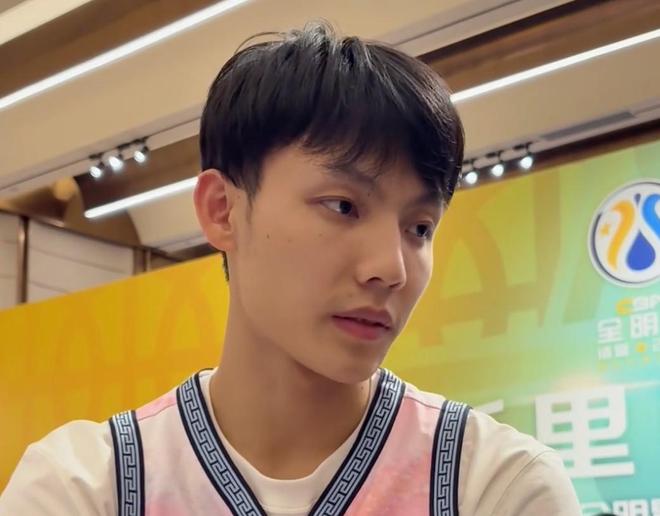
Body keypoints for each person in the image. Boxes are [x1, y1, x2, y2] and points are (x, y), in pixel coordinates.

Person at [0, 22, 581, 515]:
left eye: (420, 228)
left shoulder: (492, 485)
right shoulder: (88, 487)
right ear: (222, 210)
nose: (391, 269)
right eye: (343, 206)